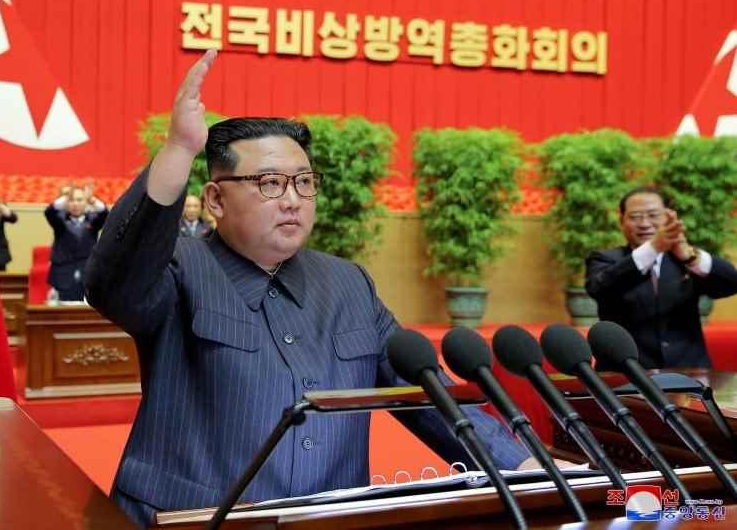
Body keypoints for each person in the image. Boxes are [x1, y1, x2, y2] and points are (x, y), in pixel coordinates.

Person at [85, 50, 542, 527]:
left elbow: (429, 395)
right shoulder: (177, 269)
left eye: (304, 183)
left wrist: (523, 467)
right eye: (270, 183)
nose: (292, 200)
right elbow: (113, 282)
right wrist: (179, 150)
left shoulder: (348, 284)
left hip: (329, 521)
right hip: (193, 519)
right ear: (216, 199)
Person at [586, 186, 737, 369]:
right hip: (625, 374)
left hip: (689, 372)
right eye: (635, 217)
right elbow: (598, 288)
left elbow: (730, 283)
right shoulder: (605, 259)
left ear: (668, 217)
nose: (644, 223)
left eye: (653, 215)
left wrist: (689, 257)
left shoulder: (685, 259)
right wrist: (653, 248)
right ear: (622, 221)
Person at [46, 185, 108, 301]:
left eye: (79, 200)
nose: (75, 204)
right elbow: (49, 212)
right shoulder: (59, 219)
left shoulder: (93, 220)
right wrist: (65, 197)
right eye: (71, 200)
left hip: (87, 277)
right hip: (62, 277)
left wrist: (92, 200)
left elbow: (105, 213)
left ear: (86, 202)